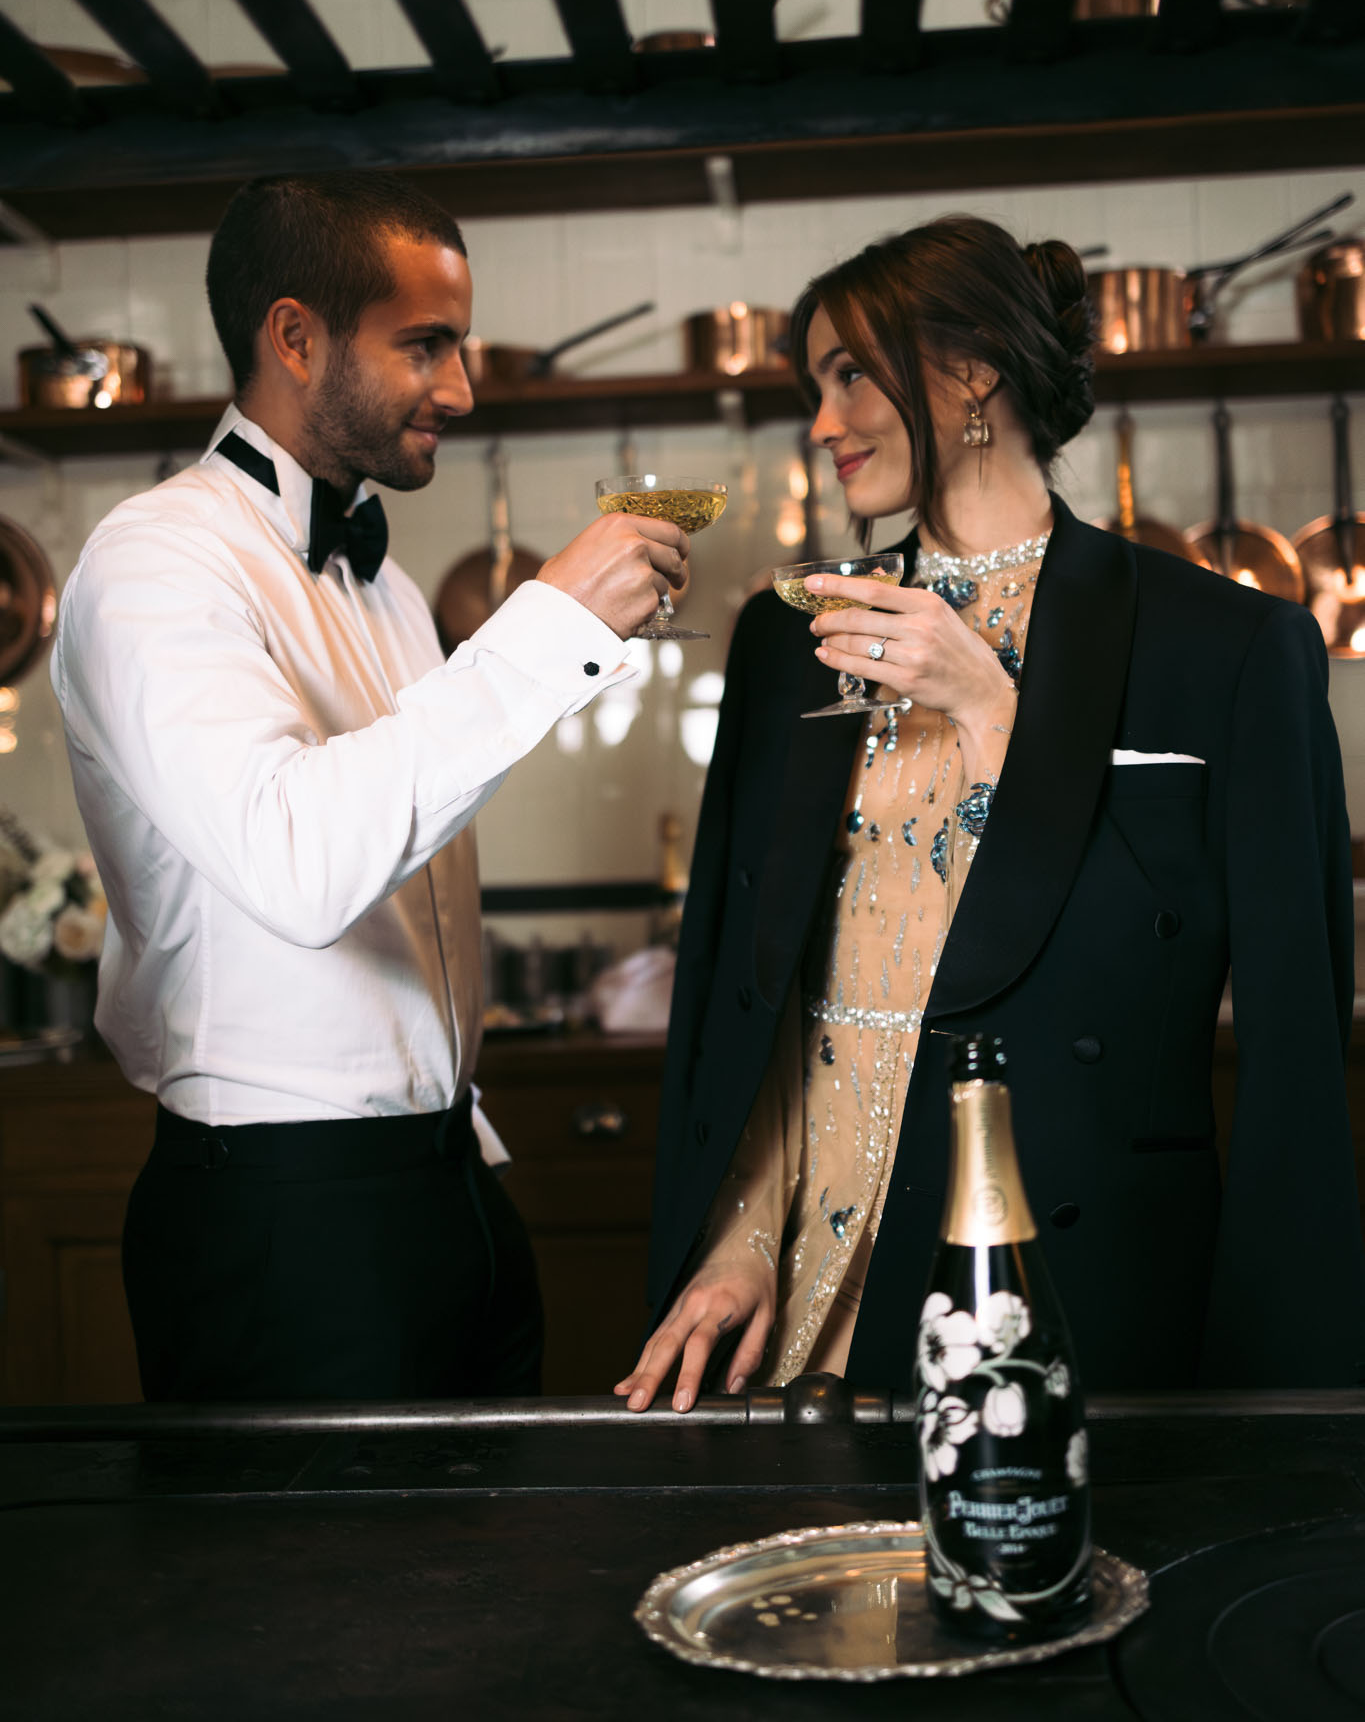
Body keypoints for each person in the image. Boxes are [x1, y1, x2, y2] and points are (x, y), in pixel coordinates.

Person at [620, 213, 1365, 1414]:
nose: (821, 422)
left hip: (1063, 1279)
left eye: (850, 374)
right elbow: (749, 992)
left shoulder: (1227, 646)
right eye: (815, 385)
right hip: (799, 1282)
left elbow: (1278, 1044)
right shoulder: (791, 639)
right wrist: (743, 1233)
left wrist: (992, 710)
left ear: (972, 371)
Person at [52, 172, 688, 1403]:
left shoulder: (385, 583)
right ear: (296, 336)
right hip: (284, 1220)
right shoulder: (154, 560)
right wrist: (549, 625)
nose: (461, 388)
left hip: (448, 1182)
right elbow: (300, 863)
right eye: (425, 345)